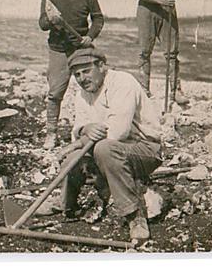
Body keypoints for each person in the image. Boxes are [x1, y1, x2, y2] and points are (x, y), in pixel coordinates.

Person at [57, 48, 163, 242]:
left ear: (101, 66)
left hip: (144, 148)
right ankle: (65, 204)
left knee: (104, 148)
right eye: (77, 74)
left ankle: (134, 215)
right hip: (107, 149)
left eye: (86, 71)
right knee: (71, 158)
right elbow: (78, 129)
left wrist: (81, 140)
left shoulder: (122, 82)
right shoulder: (83, 94)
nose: (82, 78)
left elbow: (118, 132)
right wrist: (85, 129)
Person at [39, 0, 104, 149]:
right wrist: (51, 19)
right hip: (58, 50)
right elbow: (42, 24)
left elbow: (98, 19)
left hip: (81, 49)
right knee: (55, 92)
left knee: (92, 88)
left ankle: (96, 130)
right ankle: (51, 133)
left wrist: (90, 36)